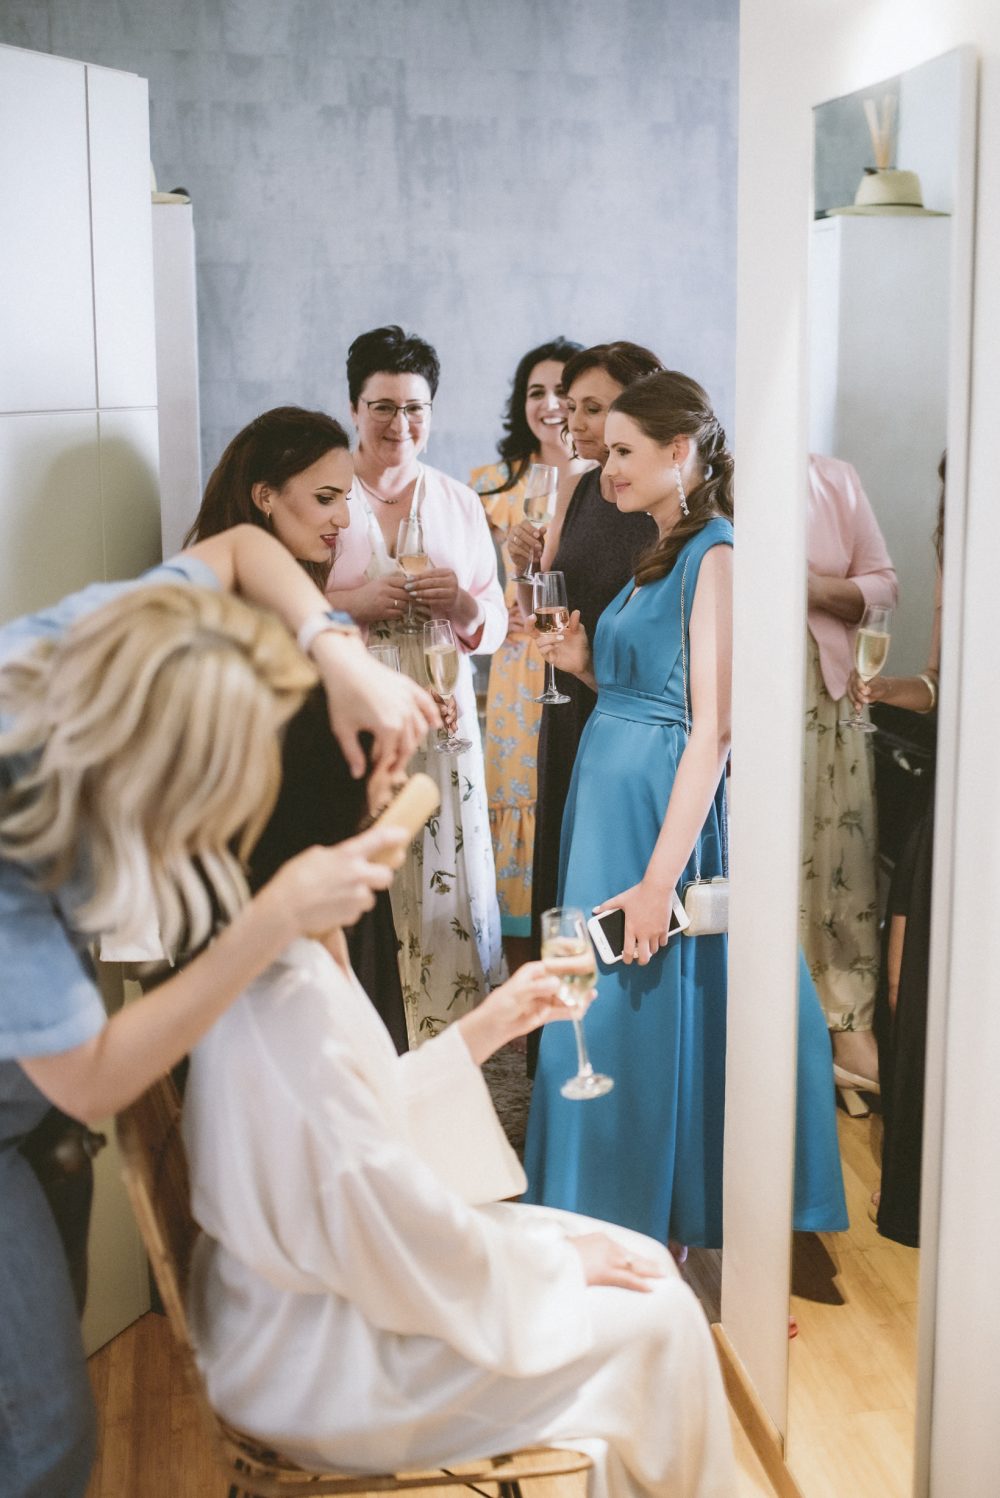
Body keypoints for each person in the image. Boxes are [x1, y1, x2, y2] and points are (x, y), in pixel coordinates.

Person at [0, 526, 436, 1498]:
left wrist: (338, 655)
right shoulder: (11, 842)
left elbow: (241, 547)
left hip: (30, 1103)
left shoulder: (107, 641)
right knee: (43, 1438)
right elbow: (99, 1073)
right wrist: (273, 911)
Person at [182, 939, 737, 1498]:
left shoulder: (297, 953)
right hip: (319, 1362)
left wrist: (488, 1026)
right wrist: (558, 1263)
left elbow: (366, 1121)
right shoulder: (283, 1000)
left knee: (642, 1259)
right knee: (663, 1312)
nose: (395, 854)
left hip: (317, 1291)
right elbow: (380, 1209)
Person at [522, 372, 846, 1248]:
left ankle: (624, 1208)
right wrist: (585, 659)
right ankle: (588, 1204)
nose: (606, 465)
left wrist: (657, 880)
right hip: (607, 799)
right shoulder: (661, 548)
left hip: (653, 817)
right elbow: (637, 688)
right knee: (588, 1001)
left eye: (624, 451)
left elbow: (714, 731)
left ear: (679, 452)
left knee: (627, 1003)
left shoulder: (718, 555)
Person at [185, 406, 407, 1050]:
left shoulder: (300, 599)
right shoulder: (232, 619)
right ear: (265, 497)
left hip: (326, 869)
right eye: (326, 498)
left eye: (347, 499)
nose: (343, 519)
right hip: (284, 887)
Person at [327, 325, 507, 1044]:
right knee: (371, 872)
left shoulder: (460, 502)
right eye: (384, 407)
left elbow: (495, 620)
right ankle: (367, 1035)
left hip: (445, 716)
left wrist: (461, 604)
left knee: (445, 875)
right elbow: (282, 606)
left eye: (415, 408)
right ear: (353, 408)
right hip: (359, 717)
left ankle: (450, 1037)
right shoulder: (328, 495)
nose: (401, 424)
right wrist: (355, 605)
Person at [505, 341, 662, 1071]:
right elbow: (548, 594)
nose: (579, 425)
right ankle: (559, 1057)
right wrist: (522, 562)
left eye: (596, 410)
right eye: (575, 410)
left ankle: (610, 1058)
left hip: (626, 715)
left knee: (604, 888)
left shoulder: (666, 509)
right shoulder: (574, 484)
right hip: (565, 707)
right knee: (562, 887)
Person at [849, 457, 944, 1246]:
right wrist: (890, 690)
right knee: (904, 971)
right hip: (957, 787)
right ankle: (914, 1179)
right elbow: (944, 685)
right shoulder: (959, 549)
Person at [469, 337, 584, 971]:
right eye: (535, 392)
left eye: (563, 393)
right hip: (517, 670)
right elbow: (476, 584)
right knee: (515, 798)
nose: (549, 405)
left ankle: (569, 967)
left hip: (578, 658)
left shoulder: (602, 480)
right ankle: (518, 972)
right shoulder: (489, 487)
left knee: (567, 802)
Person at [803, 454, 898, 1099]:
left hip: (827, 691)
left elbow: (884, 587)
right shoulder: (716, 477)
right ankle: (772, 1028)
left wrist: (806, 587)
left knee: (838, 856)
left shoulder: (833, 477)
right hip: (737, 692)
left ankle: (844, 1026)